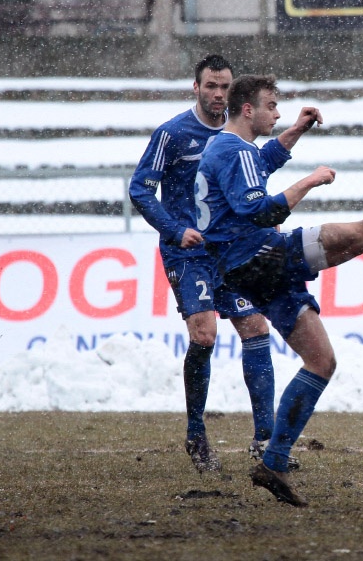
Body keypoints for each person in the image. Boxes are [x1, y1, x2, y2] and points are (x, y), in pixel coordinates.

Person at [196, 74, 363, 506]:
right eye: (272, 107)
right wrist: (311, 180)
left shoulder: (226, 148)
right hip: (261, 255)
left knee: (320, 361)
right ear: (249, 110)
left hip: (250, 270)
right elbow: (259, 210)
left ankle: (273, 461)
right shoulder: (234, 149)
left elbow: (261, 164)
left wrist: (295, 131)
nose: (277, 114)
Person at [129, 54, 294, 476]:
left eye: (224, 87)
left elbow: (261, 166)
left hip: (229, 251)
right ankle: (196, 432)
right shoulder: (172, 134)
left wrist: (296, 132)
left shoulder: (239, 135)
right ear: (196, 88)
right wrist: (173, 229)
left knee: (255, 328)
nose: (217, 94)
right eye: (210, 86)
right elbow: (142, 190)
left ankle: (264, 440)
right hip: (188, 252)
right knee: (205, 334)